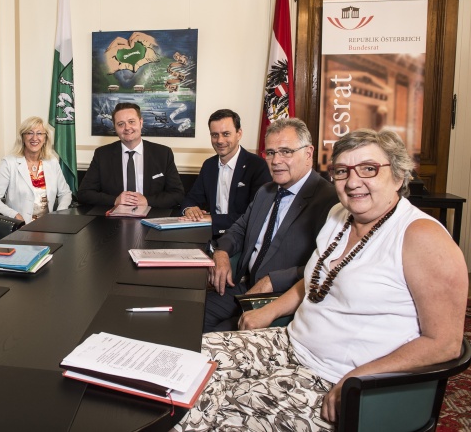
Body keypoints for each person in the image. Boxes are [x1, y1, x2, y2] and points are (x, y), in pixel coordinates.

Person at [175, 129, 467, 431]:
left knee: (212, 417)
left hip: (337, 377)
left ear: (397, 175)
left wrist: (358, 378)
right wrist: (271, 310)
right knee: (184, 365)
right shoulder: (339, 214)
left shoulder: (422, 238)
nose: (353, 182)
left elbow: (444, 344)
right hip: (287, 343)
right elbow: (317, 278)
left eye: (368, 169)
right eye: (342, 171)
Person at [205, 117, 337, 332]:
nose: (276, 161)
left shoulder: (329, 200)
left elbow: (327, 267)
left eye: (286, 151)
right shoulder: (266, 191)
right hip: (243, 285)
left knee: (215, 339)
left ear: (308, 153)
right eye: (271, 153)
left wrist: (272, 280)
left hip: (280, 299)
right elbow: (238, 229)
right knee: (189, 321)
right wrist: (221, 253)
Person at [180, 109, 271, 236]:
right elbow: (192, 197)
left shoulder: (257, 166)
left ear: (239, 134)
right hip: (210, 234)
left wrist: (214, 220)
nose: (220, 141)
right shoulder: (209, 165)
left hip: (242, 236)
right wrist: (190, 209)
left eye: (226, 134)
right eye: (215, 135)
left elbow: (255, 214)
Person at [77, 102, 184, 209]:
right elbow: (84, 194)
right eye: (121, 124)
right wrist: (115, 200)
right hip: (113, 220)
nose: (127, 127)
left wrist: (147, 201)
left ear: (141, 123)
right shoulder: (102, 155)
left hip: (152, 216)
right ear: (115, 127)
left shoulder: (163, 153)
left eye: (131, 122)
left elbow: (177, 194)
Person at [0, 116, 72, 222]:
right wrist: (15, 215)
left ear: (45, 139)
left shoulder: (52, 162)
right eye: (29, 133)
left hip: (49, 226)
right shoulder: (9, 163)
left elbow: (65, 193)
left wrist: (59, 214)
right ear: (22, 137)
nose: (34, 138)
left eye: (39, 133)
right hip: (21, 228)